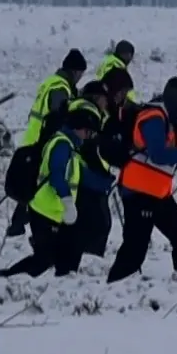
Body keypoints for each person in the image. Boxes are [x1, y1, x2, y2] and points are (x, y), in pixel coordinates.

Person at [106, 76, 177, 283]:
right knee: (135, 248)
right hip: (138, 193)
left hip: (157, 194)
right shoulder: (154, 117)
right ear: (176, 98)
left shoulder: (169, 120)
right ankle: (112, 290)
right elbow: (159, 154)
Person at [0, 106, 98, 279]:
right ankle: (5, 278)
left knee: (57, 254)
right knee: (44, 259)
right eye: (87, 132)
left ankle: (58, 282)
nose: (88, 137)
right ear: (78, 128)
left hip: (52, 211)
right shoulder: (62, 145)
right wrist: (68, 202)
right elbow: (57, 175)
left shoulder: (69, 147)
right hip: (44, 210)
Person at [7, 49, 86, 237]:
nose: (81, 77)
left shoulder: (50, 82)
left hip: (32, 137)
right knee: (36, 184)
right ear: (75, 71)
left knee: (31, 183)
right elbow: (58, 115)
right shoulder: (60, 88)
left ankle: (18, 225)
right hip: (41, 141)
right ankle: (24, 225)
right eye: (81, 73)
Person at [70, 80, 118, 258]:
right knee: (99, 221)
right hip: (85, 175)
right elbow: (90, 149)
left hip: (82, 175)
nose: (106, 104)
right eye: (105, 100)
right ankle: (90, 257)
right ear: (97, 98)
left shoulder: (79, 109)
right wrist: (104, 176)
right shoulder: (88, 114)